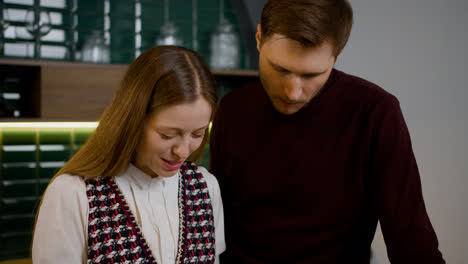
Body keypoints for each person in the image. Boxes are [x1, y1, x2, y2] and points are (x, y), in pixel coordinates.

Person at [209, 0, 444, 263]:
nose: (292, 92)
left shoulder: (375, 112)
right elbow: (217, 224)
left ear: (338, 53)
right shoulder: (231, 109)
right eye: (280, 69)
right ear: (259, 38)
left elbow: (411, 241)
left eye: (311, 75)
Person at [32, 46, 225, 264]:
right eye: (168, 135)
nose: (183, 151)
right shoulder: (72, 194)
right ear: (133, 121)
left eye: (197, 134)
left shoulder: (206, 187)